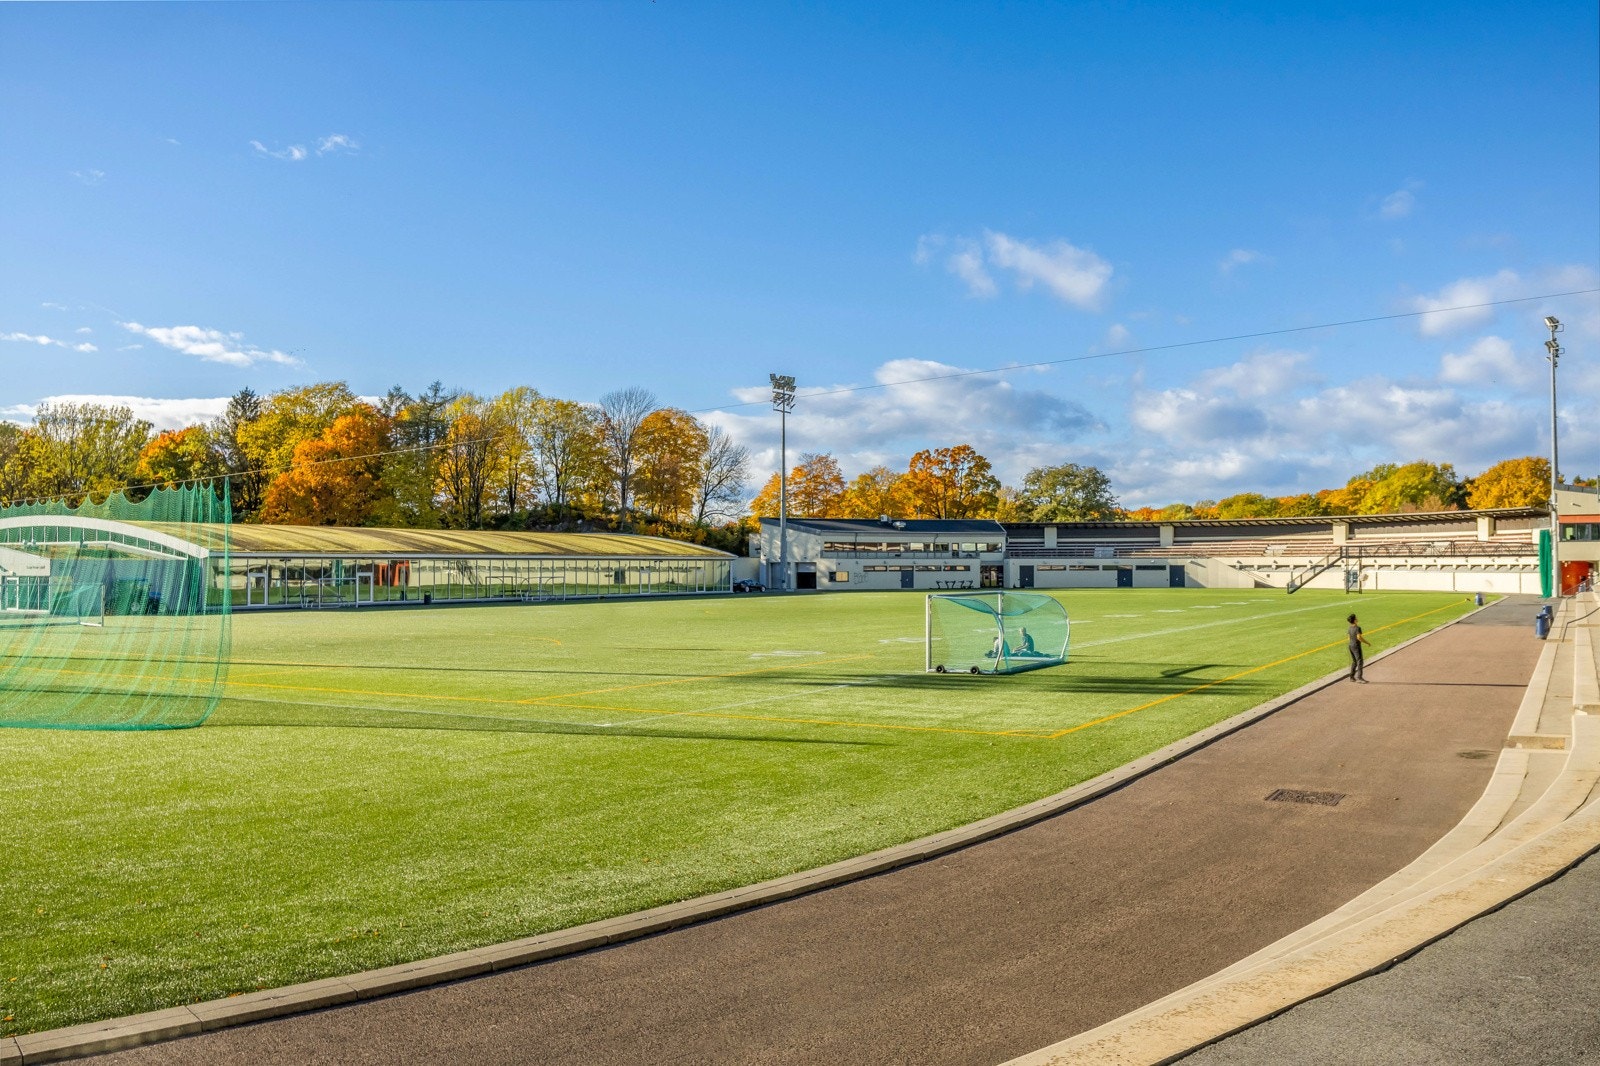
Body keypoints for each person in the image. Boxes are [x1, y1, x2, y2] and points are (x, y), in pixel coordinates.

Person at [1347, 613, 1371, 682]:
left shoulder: (1349, 628)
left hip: (1350, 645)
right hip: (1356, 646)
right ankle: (1359, 678)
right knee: (1360, 661)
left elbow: (1348, 638)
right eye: (1356, 618)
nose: (1357, 619)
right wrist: (1367, 643)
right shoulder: (1357, 628)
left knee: (1354, 661)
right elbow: (1359, 637)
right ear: (1354, 620)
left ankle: (1351, 677)